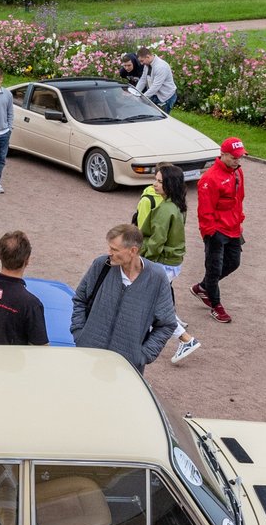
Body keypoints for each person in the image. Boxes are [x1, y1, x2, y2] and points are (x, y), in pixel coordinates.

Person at [71, 224, 178, 375]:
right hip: (88, 357)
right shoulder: (101, 265)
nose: (109, 253)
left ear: (133, 251)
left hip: (126, 369)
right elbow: (80, 300)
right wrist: (79, 334)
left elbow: (167, 324)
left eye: (114, 249)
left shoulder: (157, 278)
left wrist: (142, 355)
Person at [137, 164, 203, 364]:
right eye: (155, 180)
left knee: (154, 306)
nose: (154, 184)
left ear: (169, 184)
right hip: (171, 263)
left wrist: (139, 256)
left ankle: (185, 339)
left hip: (161, 263)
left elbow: (156, 242)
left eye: (159, 181)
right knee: (155, 303)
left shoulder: (165, 210)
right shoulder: (177, 205)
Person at [191, 137, 247, 324]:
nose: (237, 161)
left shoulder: (238, 173)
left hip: (233, 228)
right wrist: (210, 233)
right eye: (233, 158)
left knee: (233, 263)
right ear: (222, 155)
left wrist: (239, 222)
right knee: (214, 269)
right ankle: (216, 306)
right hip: (216, 232)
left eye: (239, 157)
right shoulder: (209, 180)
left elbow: (239, 199)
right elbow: (205, 211)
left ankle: (203, 287)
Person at [131, 47, 177, 113]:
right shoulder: (147, 64)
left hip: (166, 96)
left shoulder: (161, 67)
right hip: (156, 94)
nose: (141, 63)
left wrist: (142, 97)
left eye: (142, 61)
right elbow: (143, 80)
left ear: (148, 57)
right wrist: (135, 93)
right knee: (151, 114)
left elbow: (155, 87)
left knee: (162, 119)